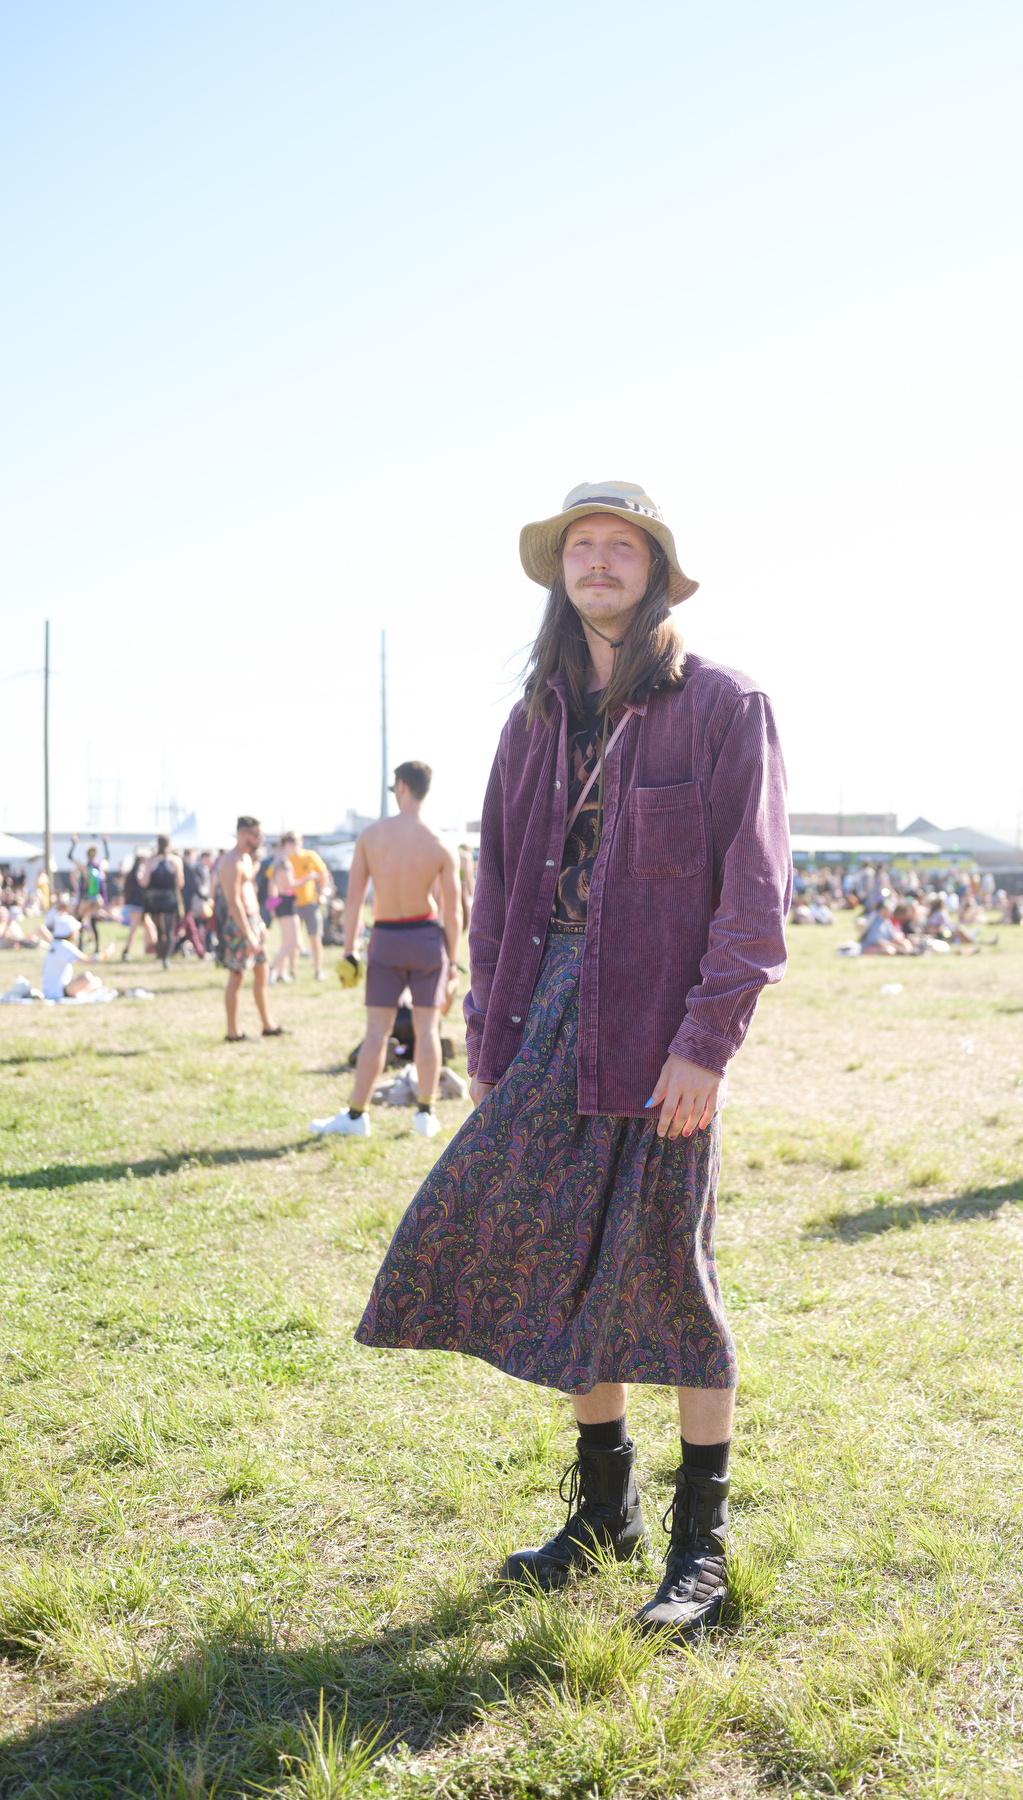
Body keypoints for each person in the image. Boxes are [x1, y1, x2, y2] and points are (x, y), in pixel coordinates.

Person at [355, 479, 791, 1638]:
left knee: (670, 1273)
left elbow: (754, 901)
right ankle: (606, 1511)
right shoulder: (532, 720)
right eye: (580, 548)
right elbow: (498, 892)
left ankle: (700, 1544)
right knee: (554, 1256)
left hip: (661, 1032)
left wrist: (707, 1046)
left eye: (620, 547)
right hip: (543, 1022)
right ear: (561, 571)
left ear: (656, 567)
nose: (598, 563)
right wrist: (488, 1035)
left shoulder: (723, 704)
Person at [311, 761, 462, 1141]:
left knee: (376, 1031)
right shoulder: (441, 842)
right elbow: (453, 911)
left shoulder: (372, 836)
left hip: (387, 936)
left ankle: (357, 1115)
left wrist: (349, 951)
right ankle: (425, 1114)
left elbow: (354, 900)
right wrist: (453, 961)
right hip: (428, 938)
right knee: (428, 1028)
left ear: (400, 788)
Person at [216, 817, 282, 1042]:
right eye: (257, 835)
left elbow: (249, 894)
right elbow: (234, 902)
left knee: (262, 972)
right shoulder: (231, 861)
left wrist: (259, 923)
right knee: (237, 978)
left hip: (253, 922)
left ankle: (268, 1025)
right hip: (239, 926)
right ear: (244, 835)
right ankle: (233, 1032)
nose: (260, 839)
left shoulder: (246, 858)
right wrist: (248, 934)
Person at [287, 835, 331, 980]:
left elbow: (323, 873)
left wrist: (322, 893)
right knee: (292, 941)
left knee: (315, 939)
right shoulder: (285, 859)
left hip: (311, 903)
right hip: (292, 905)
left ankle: (318, 971)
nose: (294, 847)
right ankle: (292, 972)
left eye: (296, 843)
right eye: (291, 843)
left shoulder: (310, 855)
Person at [143, 836, 182, 969]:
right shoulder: (175, 860)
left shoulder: (150, 861)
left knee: (159, 931)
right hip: (169, 899)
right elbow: (180, 883)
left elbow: (144, 882)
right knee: (170, 931)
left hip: (154, 900)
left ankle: (161, 956)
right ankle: (166, 958)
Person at [43, 915, 103, 1001]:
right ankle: (82, 995)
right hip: (59, 992)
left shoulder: (56, 944)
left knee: (96, 981)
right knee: (88, 977)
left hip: (51, 991)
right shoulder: (63, 945)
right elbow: (88, 961)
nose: (78, 932)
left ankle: (81, 993)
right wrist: (104, 955)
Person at [268, 836, 300, 984]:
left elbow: (272, 884)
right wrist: (309, 878)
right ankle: (272, 968)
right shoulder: (283, 861)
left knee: (287, 941)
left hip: (283, 903)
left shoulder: (279, 860)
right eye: (297, 844)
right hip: (286, 903)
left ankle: (281, 973)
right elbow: (290, 885)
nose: (299, 848)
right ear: (288, 844)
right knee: (293, 943)